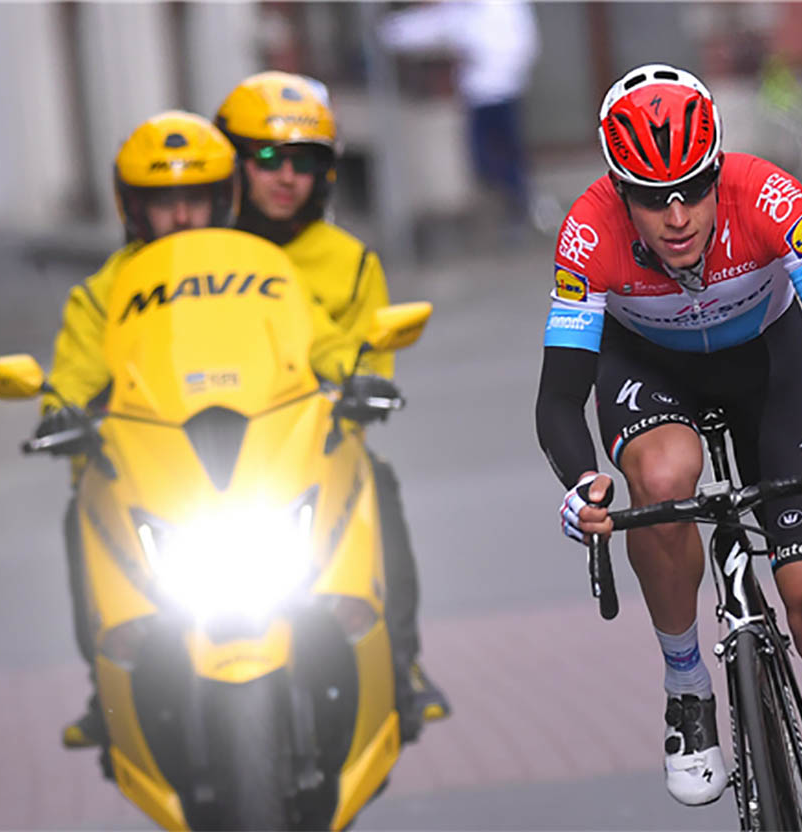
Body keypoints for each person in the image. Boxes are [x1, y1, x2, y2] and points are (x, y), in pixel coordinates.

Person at [535, 64, 802, 829]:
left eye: (694, 188)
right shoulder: (588, 232)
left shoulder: (769, 198)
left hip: (769, 366)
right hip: (650, 369)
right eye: (651, 196)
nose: (677, 216)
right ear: (618, 190)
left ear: (718, 168)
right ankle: (687, 683)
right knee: (664, 479)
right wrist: (580, 482)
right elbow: (560, 398)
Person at [214, 70, 451, 742]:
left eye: (306, 161)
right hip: (200, 444)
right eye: (267, 158)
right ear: (232, 162)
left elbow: (372, 360)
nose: (286, 176)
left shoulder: (350, 261)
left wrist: (360, 381)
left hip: (305, 452)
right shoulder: (195, 252)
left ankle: (400, 663)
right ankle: (109, 678)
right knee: (92, 505)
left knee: (380, 485)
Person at [39, 111, 241, 750]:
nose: (181, 216)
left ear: (222, 201)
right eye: (163, 202)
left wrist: (348, 376)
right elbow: (69, 380)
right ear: (134, 208)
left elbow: (310, 341)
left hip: (251, 466)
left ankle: (390, 662)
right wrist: (61, 412)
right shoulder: (103, 294)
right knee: (78, 521)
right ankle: (106, 693)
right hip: (145, 479)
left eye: (195, 199)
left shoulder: (259, 275)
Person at [377, 1, 542, 235]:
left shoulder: (503, 7)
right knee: (483, 162)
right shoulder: (463, 9)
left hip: (504, 94)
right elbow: (431, 26)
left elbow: (518, 45)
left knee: (507, 156)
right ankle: (507, 209)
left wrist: (479, 55)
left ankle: (518, 208)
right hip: (480, 97)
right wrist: (387, 32)